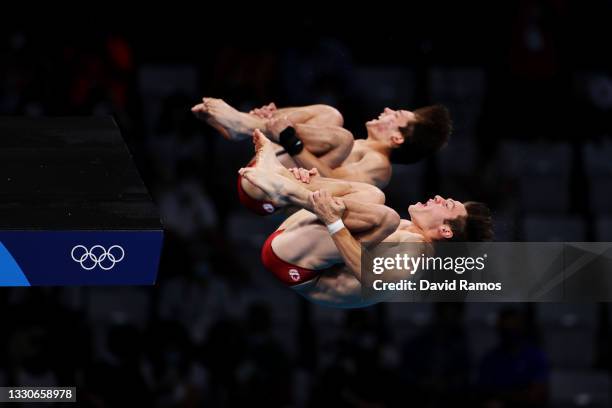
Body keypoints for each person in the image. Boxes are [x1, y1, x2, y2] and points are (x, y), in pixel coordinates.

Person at [240, 130, 493, 308]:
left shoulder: (416, 254)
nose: (438, 197)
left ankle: (283, 188)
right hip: (299, 249)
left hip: (295, 266)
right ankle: (286, 178)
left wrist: (333, 221)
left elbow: (372, 281)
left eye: (446, 205)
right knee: (371, 194)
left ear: (446, 231)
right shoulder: (411, 234)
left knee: (385, 217)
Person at [192, 98, 452, 215]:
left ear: (397, 138)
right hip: (265, 163)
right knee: (330, 116)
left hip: (268, 192)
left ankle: (243, 127)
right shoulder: (357, 145)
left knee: (341, 137)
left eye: (396, 115)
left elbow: (328, 183)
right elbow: (286, 130)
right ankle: (245, 123)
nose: (387, 109)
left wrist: (290, 140)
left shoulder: (379, 166)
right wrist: (270, 118)